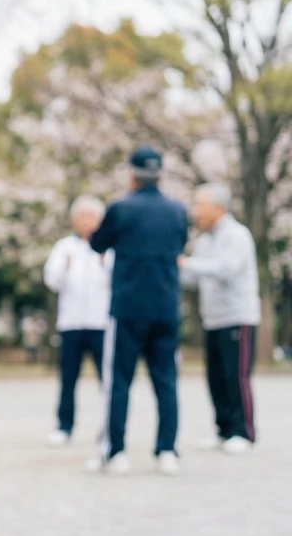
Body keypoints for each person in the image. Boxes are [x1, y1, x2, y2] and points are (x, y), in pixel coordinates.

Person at [88, 146, 188, 476]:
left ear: (131, 173)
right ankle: (167, 450)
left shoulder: (120, 207)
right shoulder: (177, 210)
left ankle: (115, 451)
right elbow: (181, 243)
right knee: (167, 381)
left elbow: (98, 243)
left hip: (128, 307)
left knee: (118, 382)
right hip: (166, 306)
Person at [179, 183, 260, 454]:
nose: (196, 211)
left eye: (200, 204)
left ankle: (244, 432)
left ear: (219, 207)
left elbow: (226, 269)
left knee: (235, 376)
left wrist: (187, 264)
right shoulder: (204, 240)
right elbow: (192, 277)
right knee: (214, 377)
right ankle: (223, 429)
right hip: (212, 318)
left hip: (238, 317)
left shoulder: (238, 235)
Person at [42, 195, 113, 446]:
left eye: (92, 216)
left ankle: (109, 426)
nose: (87, 221)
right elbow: (52, 280)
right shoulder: (64, 247)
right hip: (71, 323)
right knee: (68, 378)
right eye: (82, 216)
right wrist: (65, 267)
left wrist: (105, 264)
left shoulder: (110, 248)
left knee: (107, 379)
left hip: (101, 323)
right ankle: (64, 426)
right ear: (73, 220)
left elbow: (118, 281)